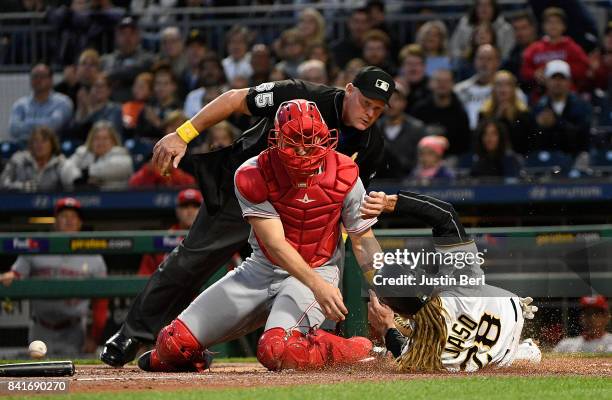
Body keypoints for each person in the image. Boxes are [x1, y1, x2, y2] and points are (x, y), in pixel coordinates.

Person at [100, 66, 393, 367]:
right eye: (365, 102)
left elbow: (352, 213)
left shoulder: (371, 146)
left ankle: (326, 339)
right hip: (249, 190)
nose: (370, 113)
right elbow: (234, 99)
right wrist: (183, 134)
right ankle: (133, 333)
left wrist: (334, 244)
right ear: (349, 90)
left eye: (378, 109)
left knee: (322, 263)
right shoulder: (300, 94)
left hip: (302, 215)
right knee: (192, 258)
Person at [362, 191, 541, 372]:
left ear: (399, 310)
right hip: (509, 317)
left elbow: (402, 351)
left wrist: (387, 327)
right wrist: (390, 202)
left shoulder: (423, 350)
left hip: (486, 360)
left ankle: (521, 354)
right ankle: (525, 352)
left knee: (407, 334)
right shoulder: (461, 281)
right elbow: (446, 215)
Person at [0, 198, 108, 356]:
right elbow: (16, 273)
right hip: (41, 329)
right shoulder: (37, 245)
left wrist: (94, 337)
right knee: (36, 376)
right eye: (64, 216)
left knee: (74, 377)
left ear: (80, 223)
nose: (69, 220)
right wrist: (11, 275)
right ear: (55, 222)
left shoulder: (94, 256)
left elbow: (101, 304)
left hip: (74, 331)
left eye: (73, 216)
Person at [521, 7, 589, 93]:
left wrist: (562, 72)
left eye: (557, 22)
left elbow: (584, 69)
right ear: (543, 26)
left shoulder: (572, 48)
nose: (553, 26)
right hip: (541, 96)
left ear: (564, 26)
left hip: (568, 95)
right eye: (549, 22)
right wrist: (535, 74)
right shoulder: (534, 49)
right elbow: (524, 70)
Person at [531, 60, 591, 156]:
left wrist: (555, 122)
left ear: (569, 81)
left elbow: (582, 137)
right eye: (554, 78)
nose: (557, 82)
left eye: (562, 78)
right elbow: (532, 141)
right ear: (546, 81)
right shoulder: (538, 107)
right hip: (546, 160)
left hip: (573, 158)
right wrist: (538, 127)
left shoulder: (582, 106)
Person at [138, 189, 202, 276]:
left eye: (195, 206)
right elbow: (144, 276)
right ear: (177, 210)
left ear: (202, 211)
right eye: (185, 206)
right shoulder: (160, 239)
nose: (190, 211)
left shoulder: (211, 238)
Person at [9, 63, 74, 144]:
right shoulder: (20, 104)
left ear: (51, 80)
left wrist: (26, 123)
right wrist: (45, 123)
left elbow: (54, 125)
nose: (38, 79)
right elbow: (13, 129)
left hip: (54, 148)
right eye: (35, 76)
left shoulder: (62, 102)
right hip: (24, 146)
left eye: (42, 76)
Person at [412, 69, 471, 156]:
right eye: (438, 81)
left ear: (453, 84)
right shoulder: (419, 109)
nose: (442, 84)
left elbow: (464, 144)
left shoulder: (460, 112)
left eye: (446, 81)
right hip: (421, 157)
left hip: (451, 159)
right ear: (430, 83)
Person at [0, 127, 78, 192]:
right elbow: (2, 184)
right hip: (17, 206)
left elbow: (73, 188)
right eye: (36, 141)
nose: (39, 145)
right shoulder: (18, 159)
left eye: (44, 141)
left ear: (52, 144)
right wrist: (20, 186)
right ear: (31, 144)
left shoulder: (61, 162)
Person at [100, 16, 155, 103]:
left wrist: (110, 76)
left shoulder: (147, 58)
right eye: (123, 33)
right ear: (116, 37)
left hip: (137, 107)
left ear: (138, 36)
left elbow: (135, 70)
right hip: (109, 107)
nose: (127, 37)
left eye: (132, 33)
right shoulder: (105, 60)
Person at [479, 70, 534, 155]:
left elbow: (526, 144)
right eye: (499, 85)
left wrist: (509, 120)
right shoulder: (484, 113)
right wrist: (498, 118)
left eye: (507, 84)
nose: (503, 89)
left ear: (514, 89)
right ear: (493, 88)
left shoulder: (524, 114)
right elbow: (480, 143)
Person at [375, 82, 424, 178]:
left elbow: (421, 161)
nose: (391, 104)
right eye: (387, 99)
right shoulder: (374, 128)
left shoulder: (417, 128)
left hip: (409, 182)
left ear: (404, 103)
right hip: (378, 183)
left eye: (396, 99)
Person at [69, 121, 133, 189]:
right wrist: (78, 179)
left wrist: (87, 173)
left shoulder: (121, 154)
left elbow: (115, 168)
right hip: (84, 197)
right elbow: (68, 168)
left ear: (113, 141)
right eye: (97, 138)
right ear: (91, 140)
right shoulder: (82, 153)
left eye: (105, 138)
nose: (100, 142)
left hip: (114, 197)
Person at [449, 0, 515, 61]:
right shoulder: (464, 24)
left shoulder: (505, 28)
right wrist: (462, 56)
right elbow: (454, 47)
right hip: (467, 62)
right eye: (480, 5)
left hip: (497, 63)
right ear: (475, 8)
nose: (484, 8)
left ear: (494, 8)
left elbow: (508, 53)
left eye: (488, 5)